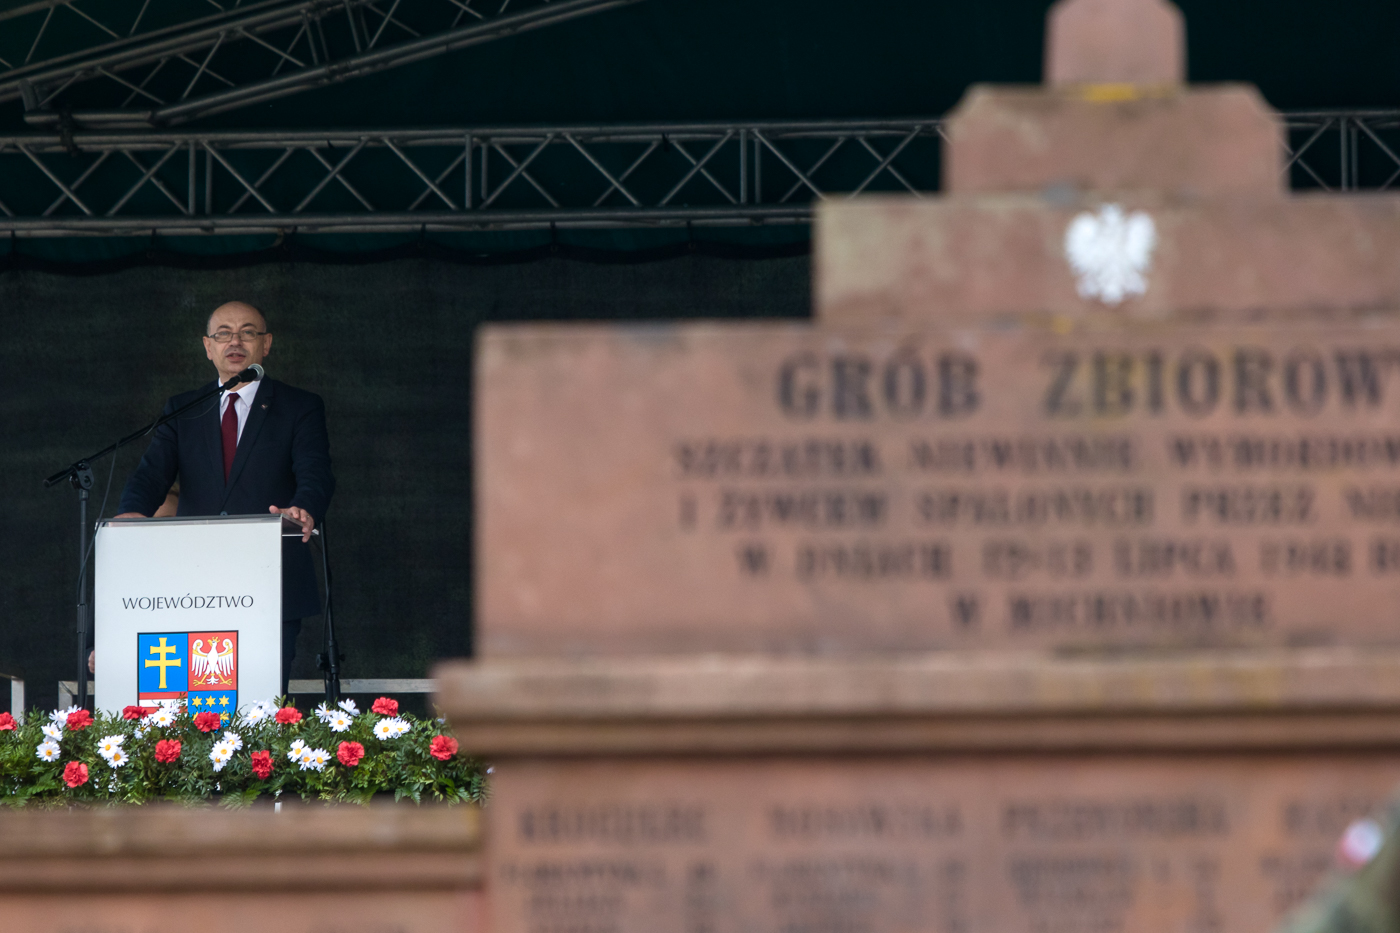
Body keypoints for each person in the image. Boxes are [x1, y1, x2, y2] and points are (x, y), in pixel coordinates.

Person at [115, 301, 335, 698]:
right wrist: (131, 514)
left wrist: (304, 507)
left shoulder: (299, 406)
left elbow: (315, 472)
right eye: (223, 334)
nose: (235, 342)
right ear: (207, 346)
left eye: (248, 332)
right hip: (193, 583)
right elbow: (151, 475)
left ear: (266, 344)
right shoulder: (183, 409)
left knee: (260, 703)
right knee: (195, 701)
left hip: (271, 577)